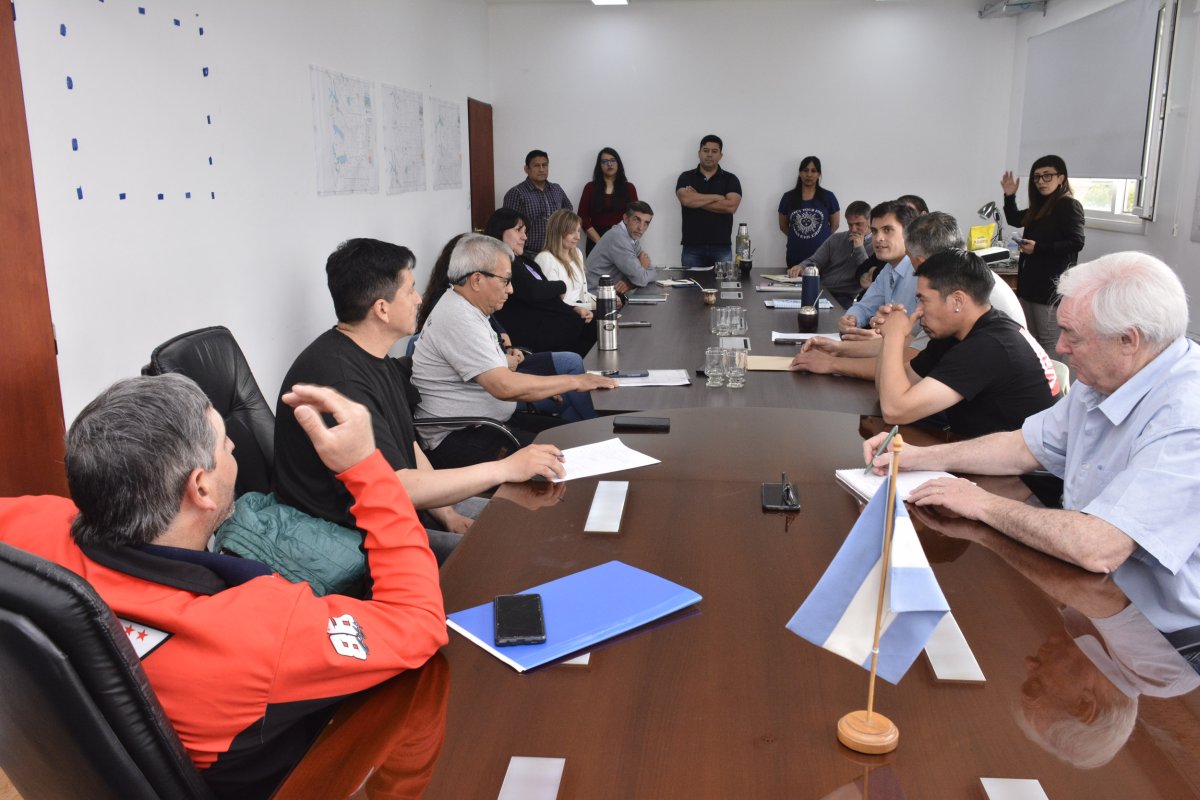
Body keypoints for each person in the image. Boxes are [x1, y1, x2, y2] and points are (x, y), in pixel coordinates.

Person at [0, 375, 451, 798]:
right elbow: (418, 621)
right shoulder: (261, 628)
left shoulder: (27, 525)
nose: (234, 446)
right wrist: (366, 467)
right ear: (200, 487)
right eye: (225, 442)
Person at [864, 252, 1200, 634]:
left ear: (1128, 340)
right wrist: (919, 457)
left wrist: (981, 502)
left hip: (1169, 633)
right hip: (1096, 596)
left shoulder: (1186, 416)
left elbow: (1099, 546)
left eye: (1073, 335)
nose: (1061, 348)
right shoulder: (1106, 377)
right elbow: (1023, 446)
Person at [273, 238, 568, 563]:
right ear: (382, 309)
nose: (419, 298)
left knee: (533, 521)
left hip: (404, 507)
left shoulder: (377, 357)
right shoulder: (339, 381)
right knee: (509, 553)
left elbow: (409, 446)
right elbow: (396, 486)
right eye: (410, 290)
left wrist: (447, 514)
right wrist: (505, 469)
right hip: (353, 535)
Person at [412, 234, 617, 469]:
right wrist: (575, 381)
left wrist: (539, 388)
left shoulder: (467, 308)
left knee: (576, 437)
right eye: (506, 281)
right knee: (572, 453)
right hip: (460, 439)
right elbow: (503, 386)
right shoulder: (459, 317)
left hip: (488, 424)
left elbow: (498, 371)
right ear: (477, 280)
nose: (510, 290)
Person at [792, 211, 1028, 379]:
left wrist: (833, 363)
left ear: (924, 263)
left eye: (914, 266)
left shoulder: (954, 291)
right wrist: (837, 349)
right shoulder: (964, 277)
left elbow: (906, 367)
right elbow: (911, 345)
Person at [875, 248, 1059, 437]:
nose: (918, 311)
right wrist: (888, 334)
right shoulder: (958, 332)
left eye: (924, 301)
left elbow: (895, 411)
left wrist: (895, 336)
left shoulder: (988, 345)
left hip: (1023, 454)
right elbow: (888, 392)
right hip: (984, 445)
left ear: (957, 301)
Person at [1001, 155, 1086, 360]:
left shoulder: (1068, 205)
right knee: (1030, 340)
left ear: (1061, 178)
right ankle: (1035, 380)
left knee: (1049, 343)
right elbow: (1014, 219)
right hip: (1030, 287)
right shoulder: (1041, 206)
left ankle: (1052, 382)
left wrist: (1038, 248)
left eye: (1047, 175)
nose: (1041, 181)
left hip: (1049, 289)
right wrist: (1009, 196)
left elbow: (1076, 242)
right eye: (1037, 177)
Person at [485, 208, 596, 357]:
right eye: (518, 230)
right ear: (500, 231)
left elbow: (548, 296)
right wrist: (561, 286)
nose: (524, 237)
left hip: (553, 322)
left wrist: (574, 308)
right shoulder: (503, 263)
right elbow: (534, 291)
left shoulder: (524, 261)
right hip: (533, 330)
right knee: (597, 326)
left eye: (525, 232)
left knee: (597, 323)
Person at [837, 200, 920, 340]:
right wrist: (850, 319)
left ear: (909, 234)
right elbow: (865, 306)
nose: (878, 238)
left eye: (887, 230)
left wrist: (883, 340)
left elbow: (920, 335)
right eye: (875, 231)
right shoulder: (888, 269)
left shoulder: (921, 273)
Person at [786, 199, 871, 308]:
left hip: (846, 296)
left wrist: (859, 248)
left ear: (869, 221)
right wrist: (801, 266)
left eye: (858, 224)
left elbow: (868, 275)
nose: (853, 229)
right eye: (850, 225)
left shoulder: (876, 246)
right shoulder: (836, 238)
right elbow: (815, 260)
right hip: (822, 290)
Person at [675, 135, 742, 268]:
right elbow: (686, 200)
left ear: (721, 155)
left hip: (722, 248)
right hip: (692, 248)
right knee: (691, 282)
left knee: (723, 282)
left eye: (714, 151)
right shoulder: (686, 177)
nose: (709, 154)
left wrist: (696, 198)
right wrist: (717, 197)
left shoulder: (730, 179)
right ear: (699, 153)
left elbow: (731, 206)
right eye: (705, 150)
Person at [502, 149, 573, 253]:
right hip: (528, 254)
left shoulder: (556, 189)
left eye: (544, 165)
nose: (541, 169)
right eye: (536, 166)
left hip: (556, 252)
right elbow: (508, 227)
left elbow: (569, 215)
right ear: (526, 169)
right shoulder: (516, 193)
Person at [777, 156, 840, 268]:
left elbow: (835, 225)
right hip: (795, 256)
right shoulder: (788, 197)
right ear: (800, 173)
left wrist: (821, 238)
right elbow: (783, 226)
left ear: (819, 174)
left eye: (813, 171)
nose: (809, 174)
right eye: (805, 170)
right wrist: (798, 236)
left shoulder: (828, 197)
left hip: (821, 257)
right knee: (794, 280)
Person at [585, 201, 655, 294]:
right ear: (625, 219)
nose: (641, 228)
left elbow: (653, 273)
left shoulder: (632, 238)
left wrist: (631, 282)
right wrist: (642, 267)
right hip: (594, 297)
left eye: (646, 223)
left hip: (608, 295)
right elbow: (641, 279)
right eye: (636, 220)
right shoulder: (618, 238)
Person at [578, 147, 639, 255]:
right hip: (595, 241)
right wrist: (600, 242)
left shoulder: (629, 188)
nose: (609, 164)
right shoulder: (590, 188)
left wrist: (622, 240)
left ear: (618, 163)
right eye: (605, 161)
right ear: (599, 165)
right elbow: (583, 217)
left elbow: (635, 216)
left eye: (612, 160)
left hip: (622, 241)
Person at [537, 209, 595, 312]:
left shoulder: (577, 253)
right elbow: (554, 302)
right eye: (572, 232)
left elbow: (583, 295)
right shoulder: (545, 258)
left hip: (582, 312)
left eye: (578, 231)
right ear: (558, 232)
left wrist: (605, 300)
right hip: (563, 316)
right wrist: (592, 306)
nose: (578, 237)